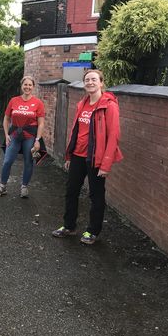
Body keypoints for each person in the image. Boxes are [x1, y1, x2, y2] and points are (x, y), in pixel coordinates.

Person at [52, 69, 122, 245]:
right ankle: (69, 226)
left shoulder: (109, 105)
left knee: (96, 195)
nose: (90, 82)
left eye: (93, 79)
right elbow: (76, 131)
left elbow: (113, 136)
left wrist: (106, 165)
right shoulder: (82, 103)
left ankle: (93, 231)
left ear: (101, 83)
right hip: (77, 155)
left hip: (95, 158)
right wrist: (69, 156)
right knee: (71, 191)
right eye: (87, 80)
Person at [0, 76, 45, 198]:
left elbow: (41, 123)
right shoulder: (14, 100)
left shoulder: (38, 103)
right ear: (21, 86)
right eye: (25, 85)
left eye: (30, 85)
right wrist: (6, 135)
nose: (27, 87)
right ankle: (2, 187)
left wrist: (37, 140)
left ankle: (24, 187)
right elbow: (6, 119)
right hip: (14, 135)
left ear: (33, 87)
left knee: (28, 162)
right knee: (7, 161)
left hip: (30, 136)